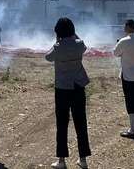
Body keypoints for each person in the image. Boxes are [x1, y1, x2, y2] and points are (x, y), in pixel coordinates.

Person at [45, 17, 91, 169]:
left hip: (62, 88)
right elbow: (83, 45)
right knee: (81, 123)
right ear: (72, 30)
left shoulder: (57, 47)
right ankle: (83, 160)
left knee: (62, 124)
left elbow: (47, 57)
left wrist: (57, 41)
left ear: (58, 32)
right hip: (78, 86)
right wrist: (73, 35)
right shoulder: (79, 44)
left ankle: (62, 161)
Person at [113, 19, 134, 139]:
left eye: (125, 26)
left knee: (131, 103)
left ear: (128, 27)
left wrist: (118, 43)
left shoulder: (124, 41)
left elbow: (115, 53)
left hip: (129, 76)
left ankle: (133, 131)